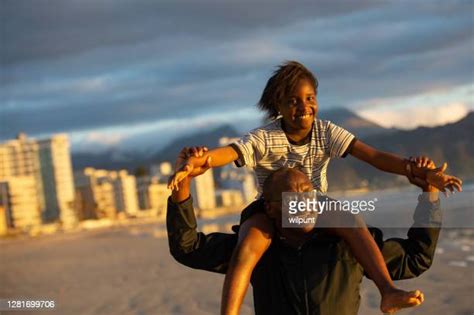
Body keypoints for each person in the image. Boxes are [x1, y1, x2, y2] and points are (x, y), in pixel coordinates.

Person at [167, 61, 462, 314]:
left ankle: (388, 290)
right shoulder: (265, 140)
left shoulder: (351, 245)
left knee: (350, 220)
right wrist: (198, 164)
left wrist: (424, 185)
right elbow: (229, 155)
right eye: (293, 101)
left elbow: (374, 157)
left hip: (322, 205)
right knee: (247, 246)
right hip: (266, 211)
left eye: (310, 98)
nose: (304, 107)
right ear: (278, 108)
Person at [167, 147, 443, 315]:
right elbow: (188, 248)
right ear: (271, 209)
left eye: (308, 192)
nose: (303, 201)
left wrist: (429, 195)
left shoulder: (347, 246)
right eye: (290, 196)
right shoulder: (258, 248)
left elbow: (415, 258)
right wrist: (183, 184)